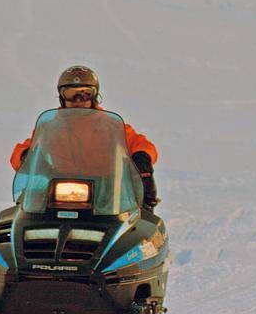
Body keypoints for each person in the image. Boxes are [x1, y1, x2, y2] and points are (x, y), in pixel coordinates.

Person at [10, 65, 160, 209]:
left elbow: (140, 143)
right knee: (25, 213)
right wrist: (25, 156)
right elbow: (23, 151)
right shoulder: (50, 127)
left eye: (85, 93)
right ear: (61, 97)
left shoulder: (111, 125)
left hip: (107, 192)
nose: (78, 100)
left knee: (136, 220)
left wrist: (142, 158)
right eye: (71, 93)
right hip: (61, 189)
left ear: (94, 95)